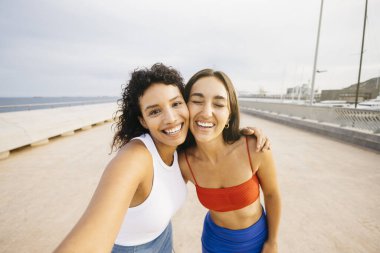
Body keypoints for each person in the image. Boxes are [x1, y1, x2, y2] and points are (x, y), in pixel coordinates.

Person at [54, 63, 269, 253]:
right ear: (143, 120)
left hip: (164, 239)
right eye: (155, 111)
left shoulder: (180, 150)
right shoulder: (134, 158)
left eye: (176, 104)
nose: (171, 118)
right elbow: (93, 238)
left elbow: (215, 139)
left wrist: (242, 135)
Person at [179, 69, 281, 253]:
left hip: (257, 240)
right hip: (214, 243)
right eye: (196, 101)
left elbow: (272, 194)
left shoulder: (254, 148)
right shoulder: (184, 162)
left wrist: (272, 241)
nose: (206, 112)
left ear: (229, 113)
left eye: (218, 104)